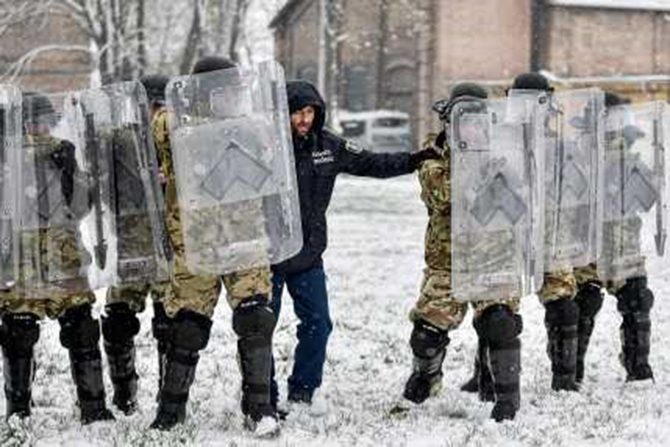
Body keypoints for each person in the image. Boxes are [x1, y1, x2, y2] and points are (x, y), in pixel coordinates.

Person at [270, 80, 439, 409]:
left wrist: (415, 159)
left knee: (319, 324)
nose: (304, 119)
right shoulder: (267, 147)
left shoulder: (328, 146)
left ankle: (303, 392)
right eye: (296, 113)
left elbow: (372, 163)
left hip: (308, 255)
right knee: (259, 330)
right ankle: (262, 396)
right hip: (269, 256)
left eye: (309, 112)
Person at [150, 57, 279, 437]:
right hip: (196, 240)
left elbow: (271, 166)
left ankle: (260, 408)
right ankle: (171, 410)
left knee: (256, 320)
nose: (234, 99)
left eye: (236, 92)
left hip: (244, 236)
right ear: (205, 96)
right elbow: (159, 127)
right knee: (187, 328)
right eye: (225, 93)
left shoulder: (249, 129)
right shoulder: (174, 126)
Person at [404, 83, 524, 422]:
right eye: (465, 121)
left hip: (493, 259)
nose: (473, 128)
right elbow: (441, 196)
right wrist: (479, 171)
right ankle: (426, 377)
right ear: (451, 123)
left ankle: (506, 399)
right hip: (448, 264)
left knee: (500, 323)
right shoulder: (433, 157)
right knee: (425, 338)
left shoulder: (504, 157)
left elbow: (518, 204)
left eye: (478, 121)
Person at [0, 91, 114, 423]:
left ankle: (93, 408)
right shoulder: (6, 158)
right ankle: (18, 410)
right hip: (21, 265)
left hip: (65, 259)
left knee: (82, 329)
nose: (41, 130)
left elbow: (79, 209)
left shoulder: (63, 154)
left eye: (47, 124)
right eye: (34, 124)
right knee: (18, 334)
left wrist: (75, 176)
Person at [100, 75, 172, 416]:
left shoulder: (177, 137)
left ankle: (168, 395)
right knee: (116, 321)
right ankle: (124, 394)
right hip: (129, 243)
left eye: (160, 105)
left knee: (170, 324)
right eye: (150, 105)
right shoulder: (118, 139)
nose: (154, 112)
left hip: (167, 245)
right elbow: (99, 185)